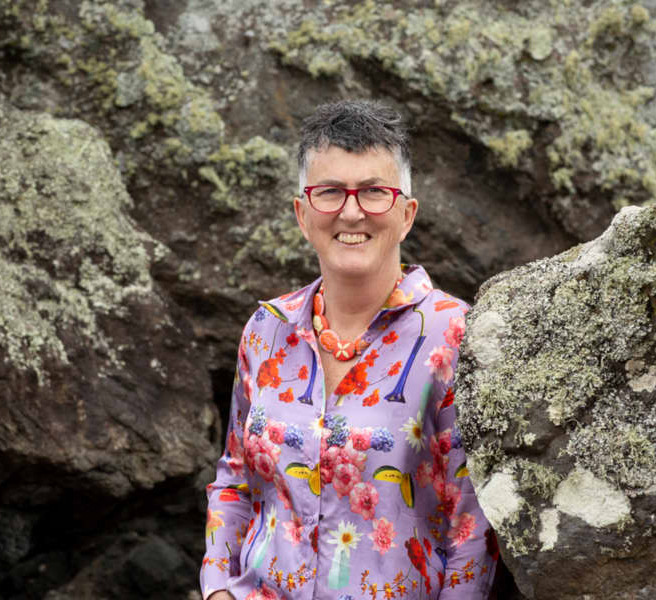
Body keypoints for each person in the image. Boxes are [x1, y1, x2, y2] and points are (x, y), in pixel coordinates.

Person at [201, 100, 498, 600]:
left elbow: (472, 525)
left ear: (406, 215)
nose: (352, 211)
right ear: (302, 214)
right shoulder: (265, 330)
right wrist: (216, 588)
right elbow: (234, 480)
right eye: (330, 192)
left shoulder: (455, 335)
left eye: (374, 192)